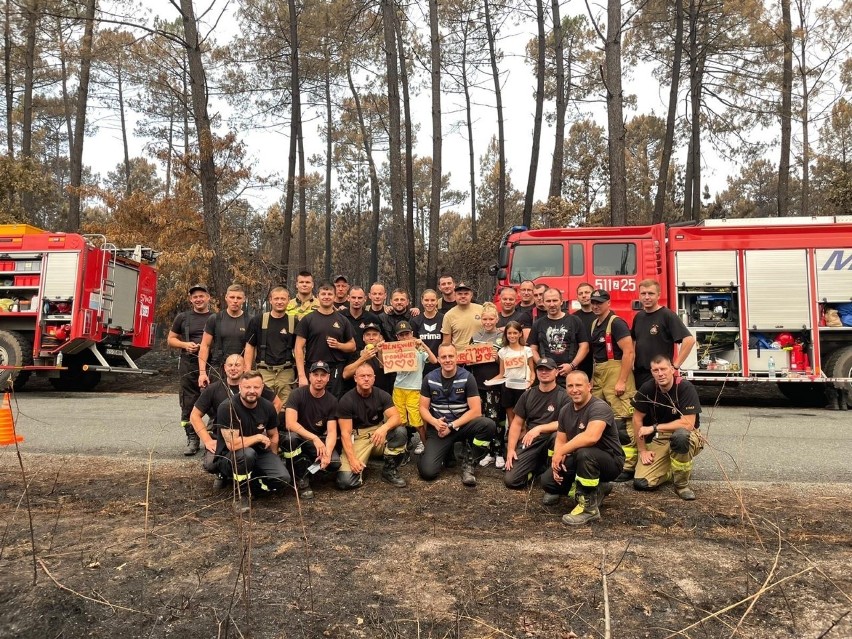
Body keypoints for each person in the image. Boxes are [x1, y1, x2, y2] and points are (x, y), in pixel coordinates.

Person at [539, 371, 624, 525]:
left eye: (579, 385)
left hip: (610, 461)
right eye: (570, 386)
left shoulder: (599, 407)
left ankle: (589, 509)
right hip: (580, 459)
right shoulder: (565, 410)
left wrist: (561, 452)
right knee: (548, 482)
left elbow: (591, 437)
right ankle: (598, 489)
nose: (574, 389)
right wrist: (557, 460)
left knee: (586, 454)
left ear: (589, 386)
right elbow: (560, 438)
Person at [417, 344, 497, 487]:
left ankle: (470, 463)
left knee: (488, 425)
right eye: (444, 357)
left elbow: (476, 411)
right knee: (427, 472)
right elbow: (422, 408)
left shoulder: (467, 377)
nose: (447, 360)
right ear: (439, 359)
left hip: (461, 425)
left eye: (451, 356)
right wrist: (435, 422)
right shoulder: (429, 378)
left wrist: (452, 426)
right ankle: (443, 452)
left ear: (457, 358)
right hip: (439, 428)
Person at [214, 371, 291, 513]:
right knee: (246, 454)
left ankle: (254, 482)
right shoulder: (228, 407)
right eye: (247, 387)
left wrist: (273, 457)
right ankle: (241, 495)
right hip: (230, 456)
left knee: (283, 478)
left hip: (259, 452)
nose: (252, 391)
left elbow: (273, 434)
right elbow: (232, 444)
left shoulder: (267, 406)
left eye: (256, 387)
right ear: (240, 388)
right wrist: (258, 437)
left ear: (262, 387)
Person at [631, 355, 703, 500]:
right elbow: (637, 419)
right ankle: (669, 469)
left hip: (689, 435)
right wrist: (642, 450)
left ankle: (681, 485)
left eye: (663, 369)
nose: (660, 373)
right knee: (641, 483)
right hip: (662, 438)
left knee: (680, 437)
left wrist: (654, 428)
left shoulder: (685, 387)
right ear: (652, 372)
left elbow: (688, 424)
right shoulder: (648, 388)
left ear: (672, 369)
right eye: (655, 370)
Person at [190, 354, 281, 462]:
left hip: (253, 437)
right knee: (211, 463)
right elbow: (194, 415)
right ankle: (224, 475)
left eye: (237, 365)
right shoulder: (213, 389)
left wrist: (265, 425)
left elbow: (277, 403)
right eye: (230, 365)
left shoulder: (254, 387)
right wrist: (207, 440)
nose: (233, 368)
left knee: (253, 457)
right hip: (223, 439)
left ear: (244, 367)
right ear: (225, 368)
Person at [588, 289, 638, 482]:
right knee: (599, 416)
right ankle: (607, 459)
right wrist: (593, 378)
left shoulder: (616, 323)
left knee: (623, 420)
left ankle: (628, 465)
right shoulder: (595, 323)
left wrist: (622, 380)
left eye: (599, 302)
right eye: (593, 302)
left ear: (608, 303)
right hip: (600, 374)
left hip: (617, 372)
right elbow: (597, 355)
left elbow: (629, 352)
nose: (595, 305)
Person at [336, 363, 408, 489]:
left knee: (400, 432)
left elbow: (397, 418)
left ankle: (389, 471)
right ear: (355, 378)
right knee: (346, 482)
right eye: (362, 376)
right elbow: (345, 434)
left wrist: (384, 428)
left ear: (374, 378)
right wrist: (352, 460)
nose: (366, 379)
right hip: (358, 437)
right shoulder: (346, 400)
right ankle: (361, 463)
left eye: (369, 376)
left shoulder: (382, 395)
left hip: (378, 434)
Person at [503, 358, 568, 489]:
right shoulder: (528, 395)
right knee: (511, 481)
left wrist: (539, 428)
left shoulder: (564, 396)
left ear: (556, 372)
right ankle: (536, 467)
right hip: (531, 440)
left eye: (548, 369)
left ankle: (551, 472)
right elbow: (516, 423)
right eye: (540, 369)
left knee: (557, 436)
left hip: (553, 438)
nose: (544, 372)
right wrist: (510, 449)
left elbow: (565, 423)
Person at [280, 361, 340, 500]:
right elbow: (290, 423)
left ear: (328, 378)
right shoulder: (297, 394)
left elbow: (331, 432)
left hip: (317, 441)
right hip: (299, 437)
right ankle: (301, 481)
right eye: (316, 374)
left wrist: (328, 453)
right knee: (291, 439)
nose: (319, 378)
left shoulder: (332, 401)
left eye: (323, 375)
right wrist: (314, 438)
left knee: (334, 463)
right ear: (310, 376)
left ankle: (307, 467)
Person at [167, 283, 214, 455]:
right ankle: (192, 439)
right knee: (188, 402)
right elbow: (171, 339)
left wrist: (205, 347)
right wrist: (185, 344)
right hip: (188, 364)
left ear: (208, 297)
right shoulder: (183, 318)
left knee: (214, 402)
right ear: (190, 299)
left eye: (202, 296)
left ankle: (213, 438)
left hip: (211, 364)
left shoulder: (216, 317)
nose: (198, 299)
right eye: (195, 297)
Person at [294, 282, 357, 397]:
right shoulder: (308, 319)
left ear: (334, 296)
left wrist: (339, 345)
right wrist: (302, 375)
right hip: (313, 368)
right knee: (310, 404)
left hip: (335, 370)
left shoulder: (343, 320)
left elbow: (352, 346)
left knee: (333, 405)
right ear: (317, 296)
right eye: (323, 294)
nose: (326, 297)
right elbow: (298, 347)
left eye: (329, 294)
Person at [631, 279, 695, 389]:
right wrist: (632, 361)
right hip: (640, 374)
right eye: (643, 293)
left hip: (659, 374)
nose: (647, 297)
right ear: (639, 295)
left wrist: (675, 365)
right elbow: (633, 339)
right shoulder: (639, 317)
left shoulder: (667, 315)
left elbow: (689, 340)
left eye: (651, 293)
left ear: (658, 295)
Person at [527, 288, 590, 386]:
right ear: (543, 302)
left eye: (555, 300)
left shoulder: (574, 320)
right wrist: (543, 366)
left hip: (569, 375)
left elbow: (584, 346)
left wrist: (572, 366)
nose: (552, 304)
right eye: (548, 301)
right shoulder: (538, 324)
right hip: (547, 376)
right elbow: (532, 349)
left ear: (561, 301)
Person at [244, 286, 296, 404]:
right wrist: (247, 370)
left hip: (286, 373)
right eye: (276, 299)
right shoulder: (258, 320)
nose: (279, 302)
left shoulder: (294, 322)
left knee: (285, 407)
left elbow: (298, 349)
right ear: (270, 300)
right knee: (263, 405)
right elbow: (249, 346)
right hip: (264, 372)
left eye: (283, 299)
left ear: (288, 300)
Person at [392, 321, 437, 455]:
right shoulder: (395, 350)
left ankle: (428, 449)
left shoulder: (419, 350)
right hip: (398, 388)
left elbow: (434, 360)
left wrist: (422, 344)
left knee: (418, 423)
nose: (405, 338)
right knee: (399, 421)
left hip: (414, 389)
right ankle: (401, 450)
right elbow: (384, 365)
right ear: (397, 337)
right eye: (401, 335)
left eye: (407, 334)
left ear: (412, 334)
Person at [470, 303, 505, 468]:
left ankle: (497, 451)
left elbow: (508, 361)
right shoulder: (476, 335)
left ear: (497, 319)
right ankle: (484, 452)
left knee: (495, 419)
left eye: (491, 318)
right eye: (485, 319)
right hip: (478, 384)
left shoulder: (502, 337)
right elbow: (467, 360)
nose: (488, 322)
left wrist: (497, 356)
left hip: (494, 384)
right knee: (482, 419)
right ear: (480, 320)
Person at [198, 284, 250, 390]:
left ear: (244, 299)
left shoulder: (250, 321)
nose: (235, 301)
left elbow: (252, 349)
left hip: (241, 371)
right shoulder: (215, 319)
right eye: (232, 297)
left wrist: (247, 371)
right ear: (226, 298)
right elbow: (205, 346)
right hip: (218, 368)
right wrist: (202, 373)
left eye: (239, 298)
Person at [490, 320, 535, 439]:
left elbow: (533, 371)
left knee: (522, 420)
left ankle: (522, 444)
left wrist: (530, 382)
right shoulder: (502, 351)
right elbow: (501, 373)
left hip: (522, 387)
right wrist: (490, 382)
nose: (512, 336)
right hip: (507, 387)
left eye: (515, 333)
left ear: (520, 334)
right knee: (511, 420)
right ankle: (512, 445)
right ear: (506, 335)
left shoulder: (527, 350)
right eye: (509, 333)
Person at [342, 322, 394, 393]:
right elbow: (345, 374)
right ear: (363, 338)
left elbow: (392, 373)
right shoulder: (357, 354)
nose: (371, 338)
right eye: (368, 335)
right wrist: (363, 358)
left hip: (382, 395)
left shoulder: (388, 353)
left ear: (380, 337)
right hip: (360, 396)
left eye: (375, 335)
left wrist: (381, 352)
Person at [410, 288, 444, 375]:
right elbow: (414, 343)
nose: (429, 303)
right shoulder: (415, 321)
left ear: (437, 301)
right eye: (426, 300)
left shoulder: (444, 319)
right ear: (422, 301)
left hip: (440, 364)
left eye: (432, 300)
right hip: (422, 365)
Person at [441, 282, 483, 350]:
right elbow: (446, 343)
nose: (463, 296)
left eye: (466, 294)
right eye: (459, 294)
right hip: (460, 357)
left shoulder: (482, 310)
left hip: (481, 356)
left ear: (471, 295)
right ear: (455, 295)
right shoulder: (449, 315)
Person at [342, 286, 381, 351]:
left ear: (365, 299)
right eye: (353, 297)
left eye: (360, 298)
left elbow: (380, 339)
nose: (356, 301)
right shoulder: (340, 316)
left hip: (366, 357)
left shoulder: (373, 318)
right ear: (348, 298)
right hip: (344, 358)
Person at [572, 282, 596, 379]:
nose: (584, 296)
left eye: (587, 292)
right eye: (580, 293)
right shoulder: (573, 318)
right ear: (577, 297)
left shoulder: (601, 315)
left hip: (597, 362)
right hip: (579, 363)